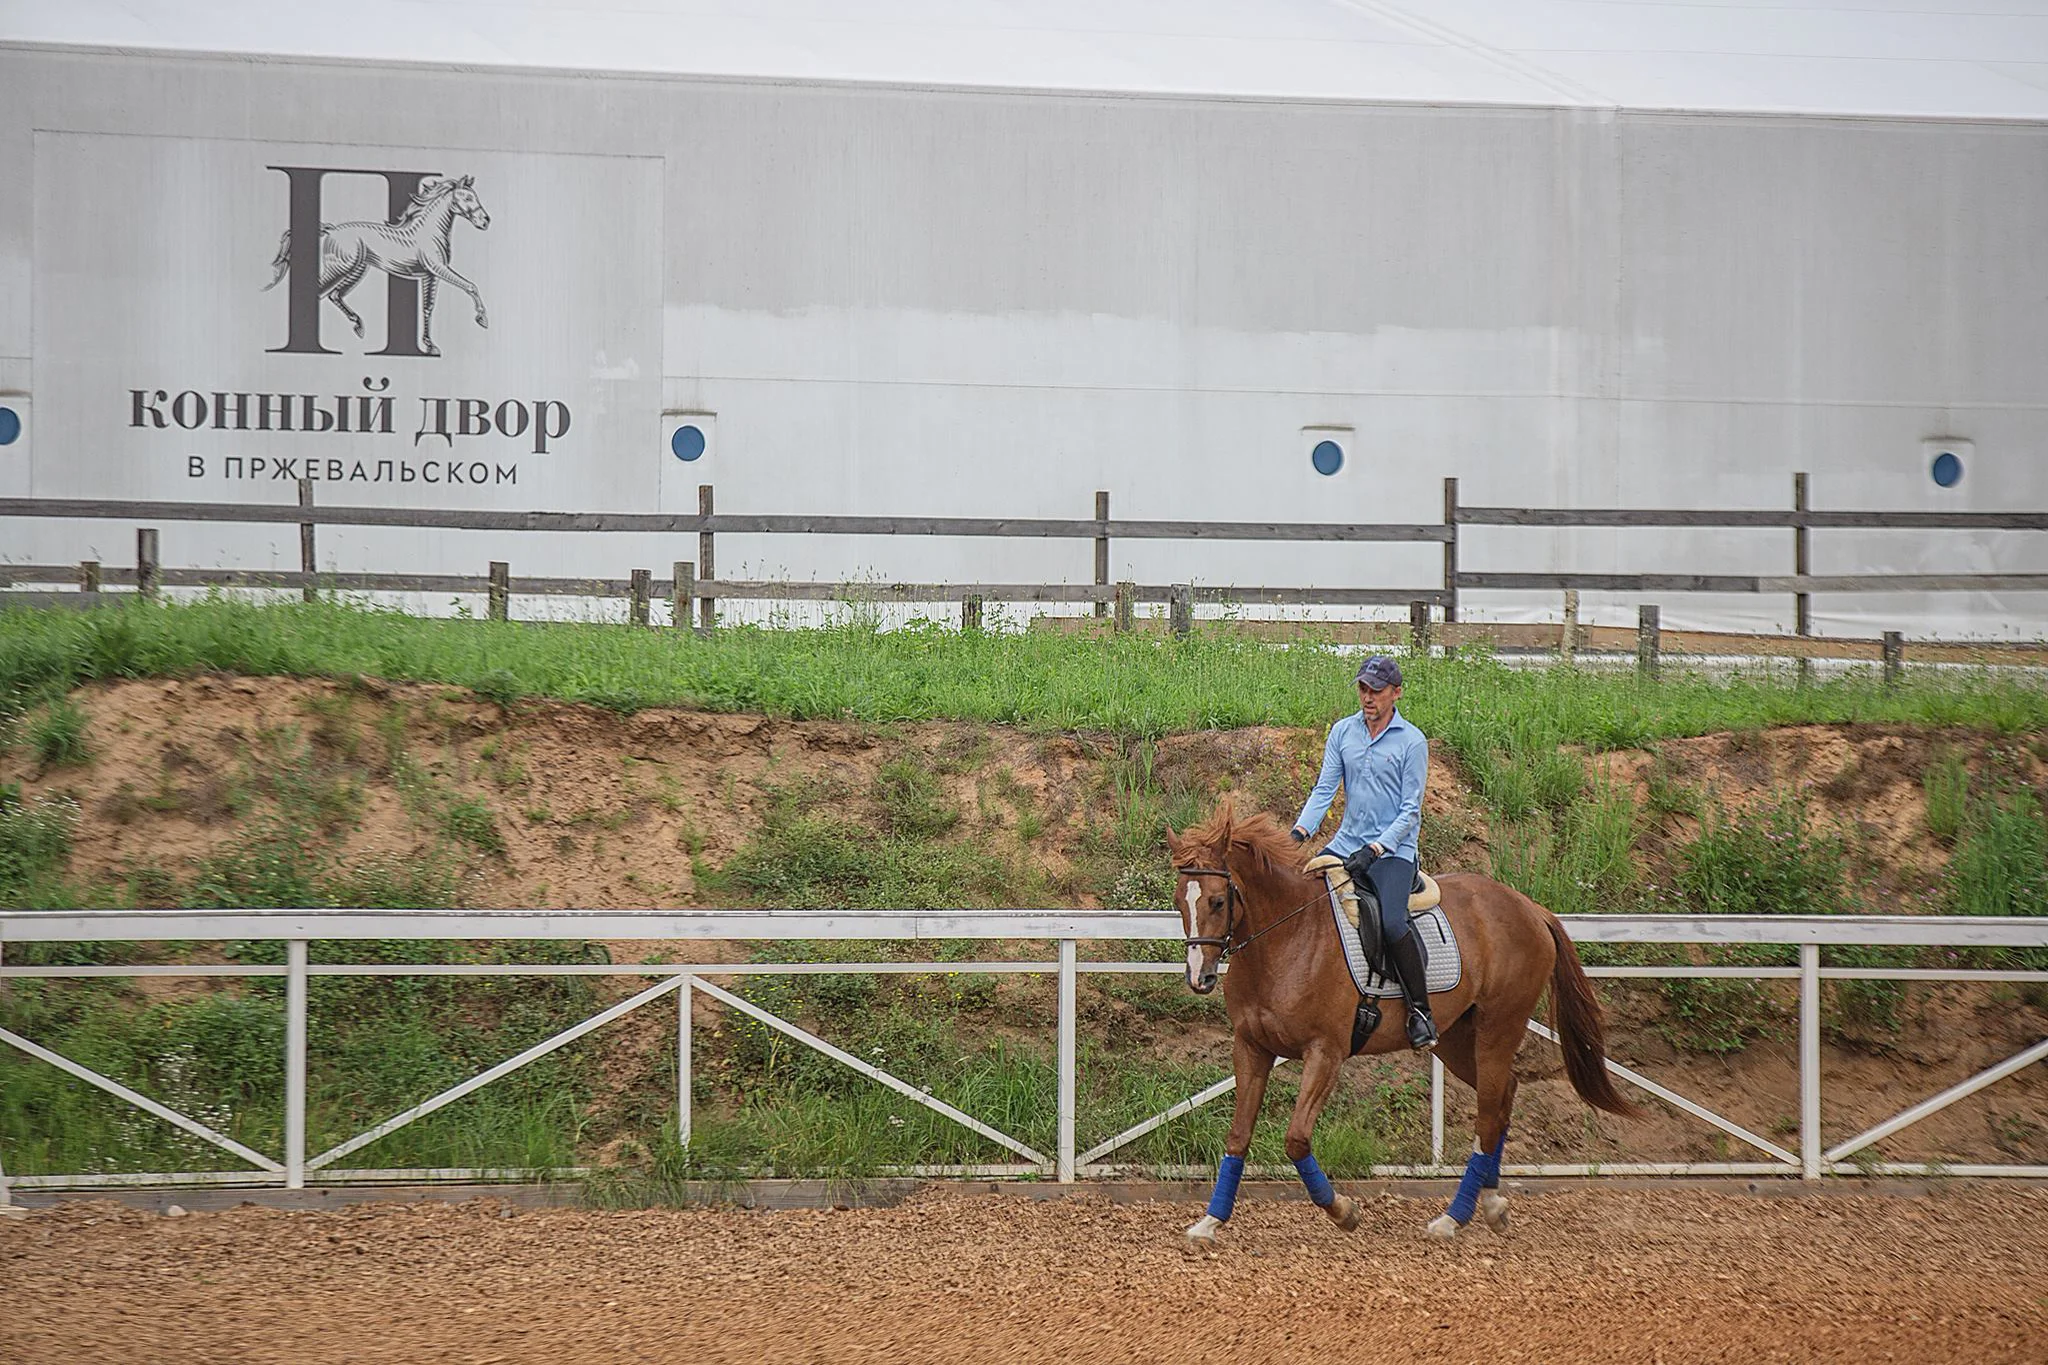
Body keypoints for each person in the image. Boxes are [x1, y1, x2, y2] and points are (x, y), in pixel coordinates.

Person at [1290, 655, 1435, 1050]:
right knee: (1302, 896)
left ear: (1396, 693)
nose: (1367, 698)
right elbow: (1324, 790)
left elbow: (1411, 810)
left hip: (1393, 852)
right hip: (1346, 842)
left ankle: (1420, 1010)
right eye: (1363, 689)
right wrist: (1300, 832)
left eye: (1376, 691)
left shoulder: (1412, 741)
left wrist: (1376, 848)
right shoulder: (1343, 732)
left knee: (1391, 923)